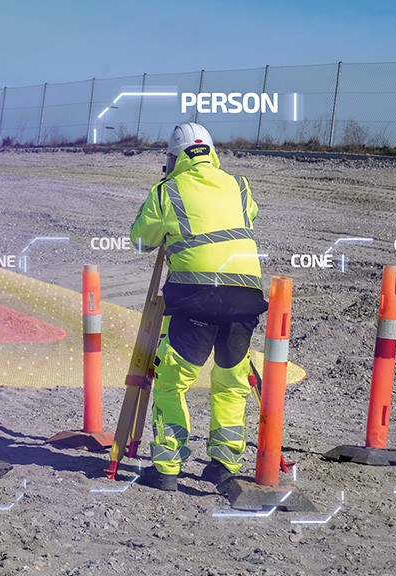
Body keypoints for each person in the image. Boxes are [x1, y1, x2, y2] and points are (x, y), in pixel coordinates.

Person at [129, 122, 268, 491]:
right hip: (245, 295)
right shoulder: (239, 185)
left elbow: (141, 240)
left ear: (175, 157)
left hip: (197, 295)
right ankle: (224, 464)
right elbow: (246, 218)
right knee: (231, 382)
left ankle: (167, 468)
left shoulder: (168, 190)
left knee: (172, 382)